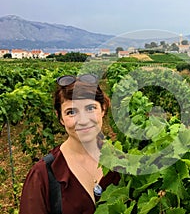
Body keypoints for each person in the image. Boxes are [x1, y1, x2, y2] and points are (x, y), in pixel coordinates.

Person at [19, 74, 120, 214]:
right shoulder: (42, 175)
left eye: (90, 108)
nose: (83, 120)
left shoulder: (123, 162)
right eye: (71, 112)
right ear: (60, 118)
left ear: (103, 109)